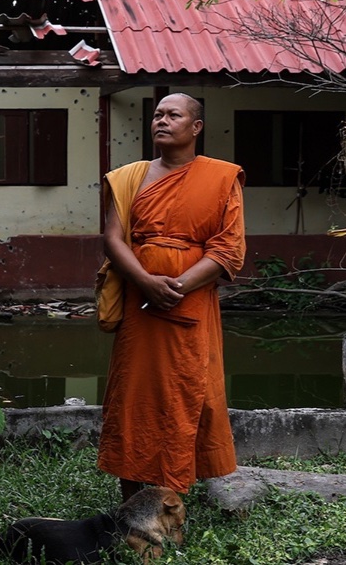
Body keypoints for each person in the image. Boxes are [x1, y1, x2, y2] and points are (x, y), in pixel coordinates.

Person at [97, 92, 246, 502]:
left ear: (195, 127)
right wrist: (146, 281)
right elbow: (112, 239)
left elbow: (228, 249)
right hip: (139, 302)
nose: (161, 121)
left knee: (184, 393)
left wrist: (176, 286)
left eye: (173, 115)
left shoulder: (221, 177)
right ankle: (130, 498)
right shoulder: (130, 177)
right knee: (133, 396)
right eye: (157, 114)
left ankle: (170, 498)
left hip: (189, 302)